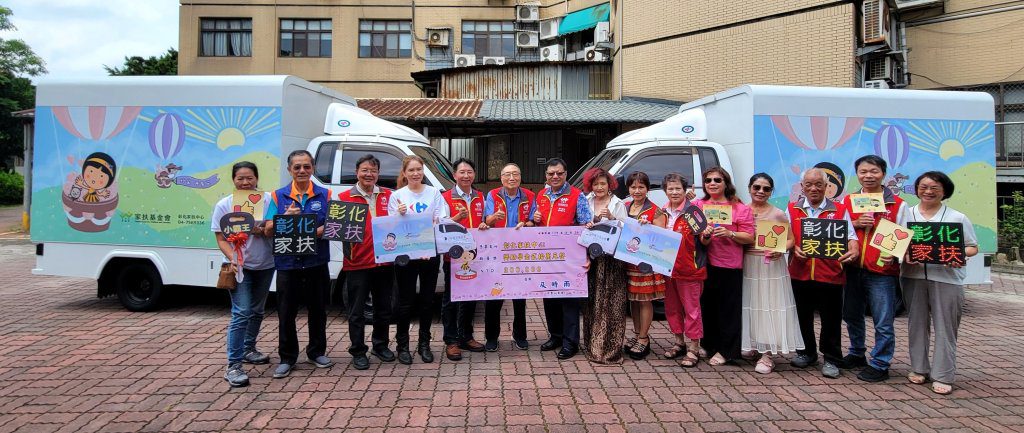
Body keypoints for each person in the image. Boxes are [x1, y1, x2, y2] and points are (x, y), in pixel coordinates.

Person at [902, 171, 978, 395]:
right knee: (916, 324)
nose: (928, 191)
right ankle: (918, 368)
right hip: (912, 277)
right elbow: (894, 242)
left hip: (947, 279)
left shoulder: (957, 217)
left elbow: (973, 247)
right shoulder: (905, 215)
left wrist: (957, 255)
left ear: (945, 191)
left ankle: (943, 374)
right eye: (923, 187)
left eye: (934, 188)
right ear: (916, 189)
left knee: (946, 326)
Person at [264, 150, 333, 378]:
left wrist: (323, 230)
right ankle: (287, 357)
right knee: (286, 313)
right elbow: (266, 229)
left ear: (313, 168)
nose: (302, 171)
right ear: (289, 170)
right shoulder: (278, 196)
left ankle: (316, 352)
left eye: (306, 166)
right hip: (287, 264)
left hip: (316, 262)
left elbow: (335, 226)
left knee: (318, 310)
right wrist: (283, 218)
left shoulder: (326, 194)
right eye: (297, 167)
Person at [786, 169, 859, 378]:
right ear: (802, 187)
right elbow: (786, 235)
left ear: (826, 186)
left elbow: (851, 237)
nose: (813, 188)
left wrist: (854, 248)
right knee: (802, 316)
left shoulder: (839, 209)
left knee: (831, 319)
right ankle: (806, 353)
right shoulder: (792, 209)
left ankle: (832, 359)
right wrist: (792, 248)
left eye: (818, 184)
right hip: (800, 273)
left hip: (831, 273)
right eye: (808, 184)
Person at [842, 155, 908, 382]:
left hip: (881, 272)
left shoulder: (898, 204)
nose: (868, 176)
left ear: (883, 174)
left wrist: (896, 255)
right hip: (852, 267)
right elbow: (838, 231)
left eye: (873, 171)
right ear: (857, 174)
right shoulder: (848, 201)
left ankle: (880, 363)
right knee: (852, 314)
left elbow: (905, 235)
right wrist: (856, 223)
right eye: (863, 172)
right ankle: (856, 352)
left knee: (883, 319)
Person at [211, 161, 274, 387]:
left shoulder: (269, 200)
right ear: (233, 180)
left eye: (250, 178)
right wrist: (233, 257)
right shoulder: (224, 205)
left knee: (257, 310)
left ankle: (249, 348)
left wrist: (262, 228)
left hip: (266, 264)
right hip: (241, 267)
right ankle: (233, 365)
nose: (245, 182)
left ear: (256, 179)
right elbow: (220, 237)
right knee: (242, 312)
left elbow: (273, 227)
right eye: (240, 178)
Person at [739, 173, 805, 374]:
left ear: (771, 192)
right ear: (749, 188)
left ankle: (767, 354)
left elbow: (791, 240)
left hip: (769, 265)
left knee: (769, 305)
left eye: (766, 189)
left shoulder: (777, 213)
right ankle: (754, 344)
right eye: (757, 187)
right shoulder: (742, 210)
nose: (760, 191)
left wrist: (780, 249)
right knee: (751, 305)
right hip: (747, 263)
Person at [337, 154, 396, 370]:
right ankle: (358, 350)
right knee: (356, 310)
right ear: (357, 172)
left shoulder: (390, 196)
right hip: (357, 263)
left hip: (385, 263)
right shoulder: (344, 198)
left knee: (383, 308)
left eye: (373, 170)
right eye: (364, 170)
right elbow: (337, 231)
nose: (368, 174)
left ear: (378, 174)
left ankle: (380, 345)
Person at [389, 155, 449, 364]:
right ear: (404, 173)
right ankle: (402, 346)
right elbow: (391, 228)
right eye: (412, 170)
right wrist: (398, 214)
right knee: (405, 302)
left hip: (428, 253)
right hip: (405, 255)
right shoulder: (396, 196)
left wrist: (436, 220)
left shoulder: (433, 193)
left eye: (419, 169)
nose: (416, 173)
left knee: (426, 301)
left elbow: (443, 218)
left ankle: (424, 344)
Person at [532, 158, 592, 360]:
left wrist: (587, 255)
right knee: (550, 299)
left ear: (566, 174)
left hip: (570, 258)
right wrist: (535, 219)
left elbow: (586, 226)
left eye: (559, 173)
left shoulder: (577, 196)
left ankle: (570, 342)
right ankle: (556, 336)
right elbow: (534, 220)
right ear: (546, 176)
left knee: (569, 301)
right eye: (550, 174)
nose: (554, 177)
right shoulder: (541, 195)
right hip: (546, 257)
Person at [694, 167, 755, 366]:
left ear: (726, 183)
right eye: (708, 180)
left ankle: (727, 350)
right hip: (705, 264)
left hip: (730, 265)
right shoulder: (698, 205)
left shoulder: (739, 208)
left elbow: (749, 236)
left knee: (728, 310)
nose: (712, 183)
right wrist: (704, 235)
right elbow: (693, 231)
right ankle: (710, 345)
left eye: (717, 180)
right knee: (707, 307)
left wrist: (731, 234)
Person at [480, 163, 535, 351]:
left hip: (519, 252)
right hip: (496, 252)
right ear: (501, 178)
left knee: (520, 296)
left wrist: (526, 224)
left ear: (520, 177)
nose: (511, 178)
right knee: (494, 296)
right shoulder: (492, 195)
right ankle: (491, 337)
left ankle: (520, 335)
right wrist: (494, 217)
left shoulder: (529, 196)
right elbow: (486, 221)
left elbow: (534, 221)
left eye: (515, 174)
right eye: (507, 175)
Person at [579, 167, 628, 364]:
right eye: (595, 184)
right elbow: (579, 224)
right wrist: (587, 224)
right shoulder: (586, 201)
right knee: (592, 303)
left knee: (611, 303)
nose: (599, 187)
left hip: (612, 260)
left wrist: (614, 219)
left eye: (603, 184)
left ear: (610, 185)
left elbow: (627, 231)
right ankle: (592, 345)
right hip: (591, 258)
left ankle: (610, 349)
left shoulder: (618, 204)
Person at [440, 158, 486, 361]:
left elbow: (485, 220)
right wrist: (455, 219)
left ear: (474, 175)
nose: (466, 175)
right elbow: (440, 224)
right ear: (454, 175)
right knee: (451, 300)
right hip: (453, 257)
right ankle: (451, 341)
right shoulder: (445, 197)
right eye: (462, 172)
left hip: (474, 256)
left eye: (469, 172)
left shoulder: (480, 197)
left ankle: (466, 337)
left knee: (470, 298)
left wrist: (486, 224)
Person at [661, 173, 709, 368]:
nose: (674, 192)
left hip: (690, 269)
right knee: (672, 309)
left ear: (684, 190)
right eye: (670, 189)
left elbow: (704, 241)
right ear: (665, 191)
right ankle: (678, 342)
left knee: (692, 310)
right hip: (668, 269)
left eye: (678, 189)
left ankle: (694, 348)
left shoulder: (693, 211)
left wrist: (706, 235)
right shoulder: (662, 212)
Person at [621, 171, 667, 360]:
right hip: (627, 261)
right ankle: (636, 332)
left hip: (645, 263)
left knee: (645, 300)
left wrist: (648, 227)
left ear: (648, 189)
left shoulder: (655, 211)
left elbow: (663, 237)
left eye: (641, 187)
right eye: (633, 187)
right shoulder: (624, 206)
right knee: (633, 299)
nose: (637, 190)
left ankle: (644, 338)